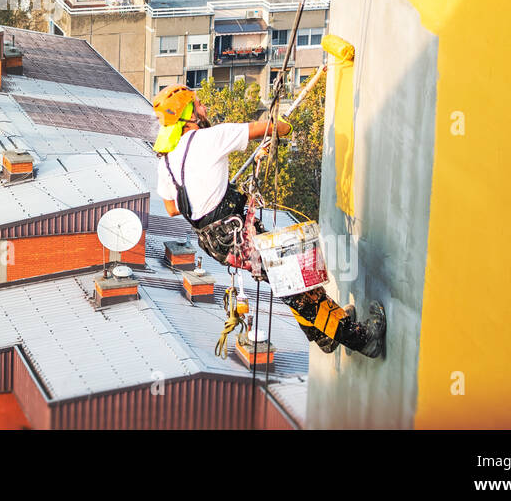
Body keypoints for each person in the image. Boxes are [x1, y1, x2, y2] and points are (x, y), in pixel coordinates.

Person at [153, 84, 385, 358]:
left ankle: (325, 332)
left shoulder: (167, 160)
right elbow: (273, 128)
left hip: (216, 240)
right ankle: (360, 339)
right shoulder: (211, 138)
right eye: (199, 105)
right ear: (189, 115)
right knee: (291, 281)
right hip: (236, 235)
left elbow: (171, 208)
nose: (205, 109)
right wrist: (282, 126)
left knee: (289, 275)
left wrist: (207, 190)